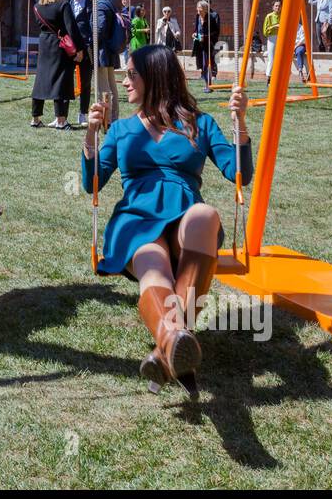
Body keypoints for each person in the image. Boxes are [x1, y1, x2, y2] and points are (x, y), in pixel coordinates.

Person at [82, 44, 251, 394]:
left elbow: (240, 174)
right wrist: (90, 135)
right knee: (151, 263)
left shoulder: (199, 124)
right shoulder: (121, 130)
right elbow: (91, 182)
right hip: (137, 221)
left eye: (131, 75)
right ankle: (174, 340)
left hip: (184, 217)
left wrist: (242, 125)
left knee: (205, 215)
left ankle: (166, 349)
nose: (124, 82)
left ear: (154, 77)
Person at [30, 0, 82, 129]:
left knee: (40, 81)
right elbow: (71, 27)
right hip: (59, 46)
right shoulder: (63, 5)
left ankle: (35, 118)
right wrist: (79, 48)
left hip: (44, 44)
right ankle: (61, 120)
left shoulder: (37, 7)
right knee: (61, 81)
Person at [66, 0, 93, 126]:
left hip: (86, 48)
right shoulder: (66, 1)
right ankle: (62, 114)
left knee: (85, 82)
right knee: (66, 80)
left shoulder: (91, 2)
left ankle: (83, 113)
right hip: (69, 48)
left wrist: (87, 46)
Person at [94, 0, 121, 124]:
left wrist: (91, 41)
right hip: (110, 50)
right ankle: (114, 116)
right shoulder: (109, 3)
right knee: (111, 85)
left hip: (102, 51)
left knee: (103, 86)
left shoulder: (99, 5)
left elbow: (100, 28)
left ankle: (107, 118)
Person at [191, 0, 221, 92]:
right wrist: (194, 34)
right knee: (201, 64)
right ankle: (207, 83)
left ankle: (209, 85)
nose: (198, 10)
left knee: (206, 64)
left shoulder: (211, 18)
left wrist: (206, 37)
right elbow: (196, 29)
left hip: (208, 44)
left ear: (205, 9)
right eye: (198, 8)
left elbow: (216, 32)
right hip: (199, 44)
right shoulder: (197, 17)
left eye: (200, 8)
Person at [262, 0, 281, 86]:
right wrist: (275, 26)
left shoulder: (282, 15)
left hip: (281, 37)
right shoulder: (269, 16)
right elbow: (265, 31)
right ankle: (269, 78)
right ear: (273, 7)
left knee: (280, 59)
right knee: (272, 59)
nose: (278, 7)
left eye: (279, 6)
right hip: (272, 38)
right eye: (276, 6)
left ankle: (278, 78)